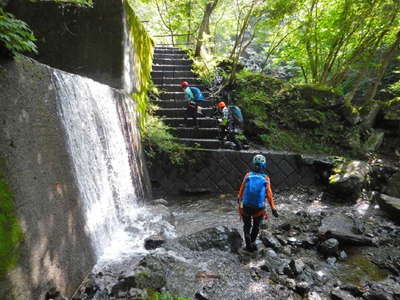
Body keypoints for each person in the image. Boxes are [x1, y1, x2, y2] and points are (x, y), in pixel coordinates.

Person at [237, 154, 279, 252]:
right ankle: (252, 242)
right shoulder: (266, 178)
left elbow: (241, 189)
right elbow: (269, 195)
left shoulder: (248, 175)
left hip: (246, 206)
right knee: (256, 226)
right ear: (264, 165)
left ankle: (247, 239)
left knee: (247, 225)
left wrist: (239, 199)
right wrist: (273, 208)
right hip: (258, 208)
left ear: (253, 164)